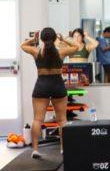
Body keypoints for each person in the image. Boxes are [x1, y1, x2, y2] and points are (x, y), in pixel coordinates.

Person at [20, 28, 81, 158]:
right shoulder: (61, 52)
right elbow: (77, 46)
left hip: (41, 86)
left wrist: (33, 39)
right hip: (57, 86)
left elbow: (23, 45)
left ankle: (35, 150)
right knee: (62, 120)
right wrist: (64, 39)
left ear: (42, 39)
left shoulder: (36, 51)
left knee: (37, 119)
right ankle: (63, 148)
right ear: (54, 38)